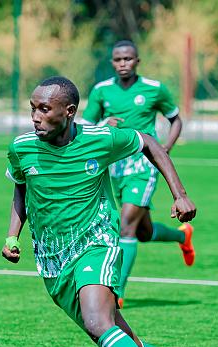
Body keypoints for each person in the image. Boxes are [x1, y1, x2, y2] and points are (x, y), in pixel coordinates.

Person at [2, 76, 202, 347]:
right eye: (32, 108)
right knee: (120, 339)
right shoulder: (21, 147)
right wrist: (12, 236)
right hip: (53, 260)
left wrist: (180, 194)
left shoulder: (100, 139)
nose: (35, 116)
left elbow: (149, 143)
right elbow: (20, 188)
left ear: (69, 111)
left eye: (44, 109)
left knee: (98, 321)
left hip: (97, 243)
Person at [81, 40, 193, 306]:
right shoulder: (101, 90)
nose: (123, 64)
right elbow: (84, 128)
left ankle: (116, 293)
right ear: (112, 62)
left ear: (137, 61)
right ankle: (182, 236)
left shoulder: (154, 89)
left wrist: (164, 149)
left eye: (128, 59)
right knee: (143, 232)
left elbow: (175, 119)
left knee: (126, 227)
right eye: (118, 59)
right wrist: (102, 124)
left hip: (144, 166)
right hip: (114, 167)